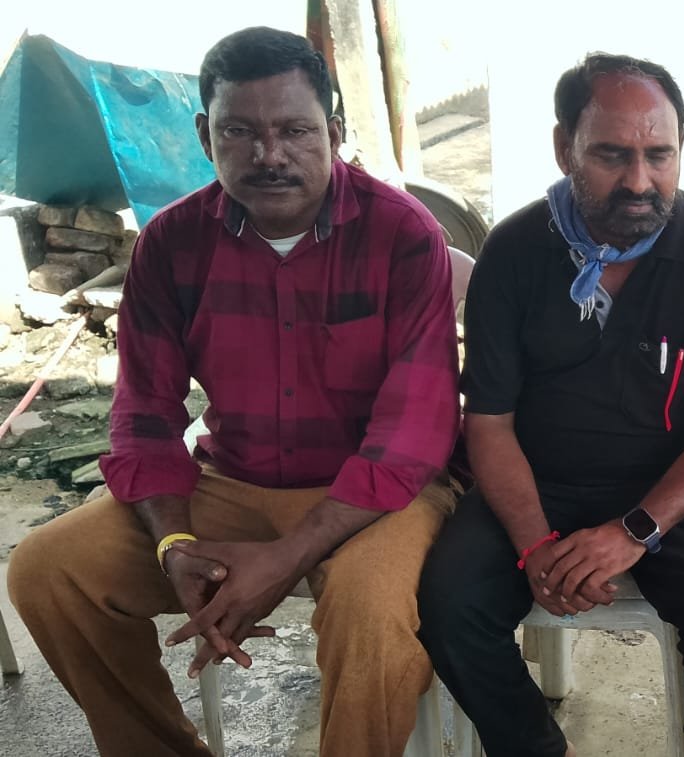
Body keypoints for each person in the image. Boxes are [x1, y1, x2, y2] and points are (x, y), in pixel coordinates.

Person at [6, 26, 462, 757]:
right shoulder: (171, 244)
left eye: (294, 131)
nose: (269, 155)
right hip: (234, 479)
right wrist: (175, 544)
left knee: (373, 614)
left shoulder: (402, 236)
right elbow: (145, 418)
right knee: (48, 571)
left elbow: (412, 434)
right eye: (240, 132)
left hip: (381, 494)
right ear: (203, 134)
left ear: (335, 132)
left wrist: (282, 560)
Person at [415, 53, 684, 756]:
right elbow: (488, 421)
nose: (640, 181)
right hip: (537, 480)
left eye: (659, 155)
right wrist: (534, 543)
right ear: (563, 148)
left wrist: (633, 529)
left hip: (676, 491)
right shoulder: (513, 254)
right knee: (449, 603)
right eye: (613, 155)